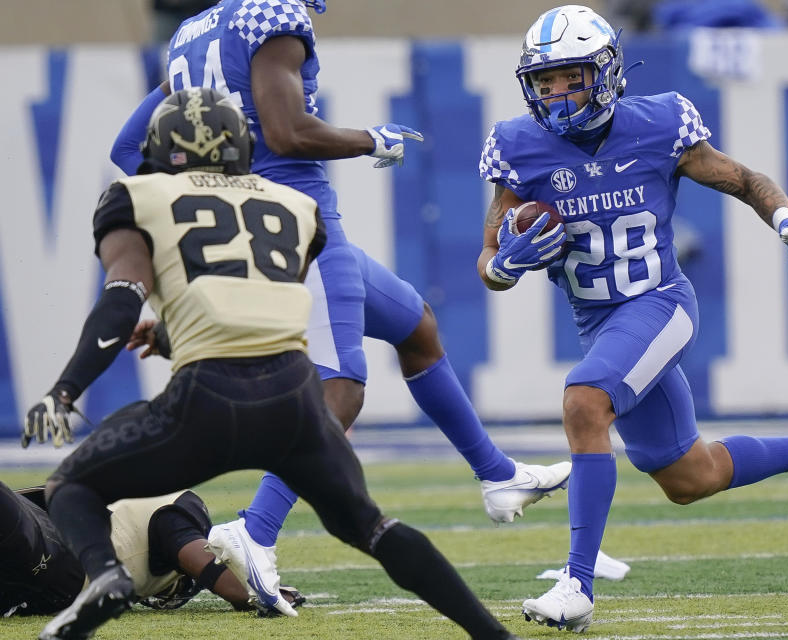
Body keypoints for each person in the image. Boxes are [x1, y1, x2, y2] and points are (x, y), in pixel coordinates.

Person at [109, 0, 571, 616]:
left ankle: (496, 474)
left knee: (415, 326)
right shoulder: (267, 20)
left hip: (258, 228)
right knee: (341, 387)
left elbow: (128, 146)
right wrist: (368, 138)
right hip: (299, 225)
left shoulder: (195, 33)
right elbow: (288, 133)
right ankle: (256, 530)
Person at [21, 87, 515, 640]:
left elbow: (120, 299)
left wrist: (66, 388)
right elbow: (251, 291)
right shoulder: (297, 207)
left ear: (161, 149)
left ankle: (107, 578)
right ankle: (494, 636)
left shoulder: (137, 197)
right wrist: (169, 332)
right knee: (371, 528)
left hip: (205, 399)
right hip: (294, 400)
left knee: (70, 486)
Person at [476, 5, 788, 633]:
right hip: (600, 324)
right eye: (546, 81)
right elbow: (486, 259)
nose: (557, 94)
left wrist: (785, 219)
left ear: (606, 72)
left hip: (660, 305)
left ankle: (577, 586)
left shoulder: (659, 122)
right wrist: (505, 265)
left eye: (571, 77)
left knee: (585, 401)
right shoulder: (517, 146)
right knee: (690, 477)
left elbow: (745, 180)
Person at [0, 478, 301, 618]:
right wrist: (265, 591)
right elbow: (220, 578)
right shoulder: (174, 508)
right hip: (64, 566)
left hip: (50, 572)